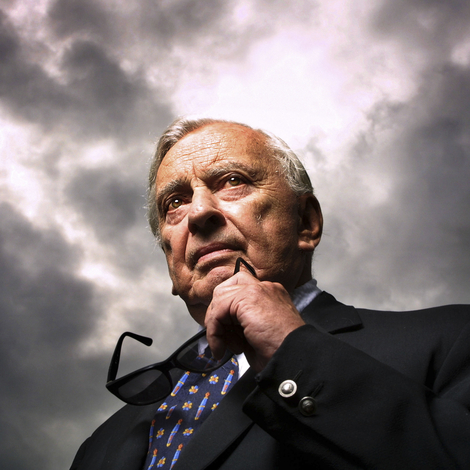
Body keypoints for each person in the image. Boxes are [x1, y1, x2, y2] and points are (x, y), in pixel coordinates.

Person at [71, 118, 470, 469]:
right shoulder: (100, 445)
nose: (198, 212)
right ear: (170, 260)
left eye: (232, 181)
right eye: (175, 202)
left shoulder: (452, 339)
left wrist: (292, 349)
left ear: (306, 223)